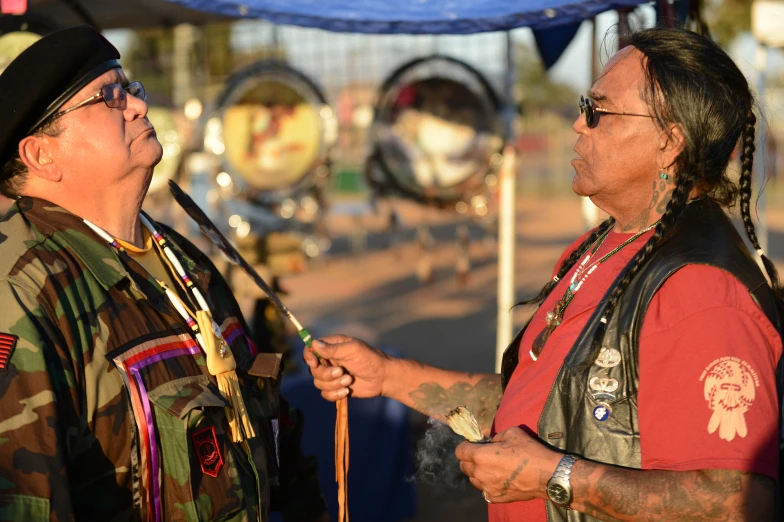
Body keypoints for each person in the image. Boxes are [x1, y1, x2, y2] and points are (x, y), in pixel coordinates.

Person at [305, 27, 784, 521]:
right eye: (584, 105)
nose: (579, 124)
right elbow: (542, 407)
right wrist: (387, 376)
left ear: (670, 141)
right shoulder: (602, 245)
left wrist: (556, 478)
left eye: (599, 111)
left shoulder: (702, 290)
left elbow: (735, 503)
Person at [0, 26, 328, 522]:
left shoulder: (183, 258)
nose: (136, 105)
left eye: (130, 89)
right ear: (42, 155)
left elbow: (273, 441)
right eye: (108, 97)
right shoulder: (23, 292)